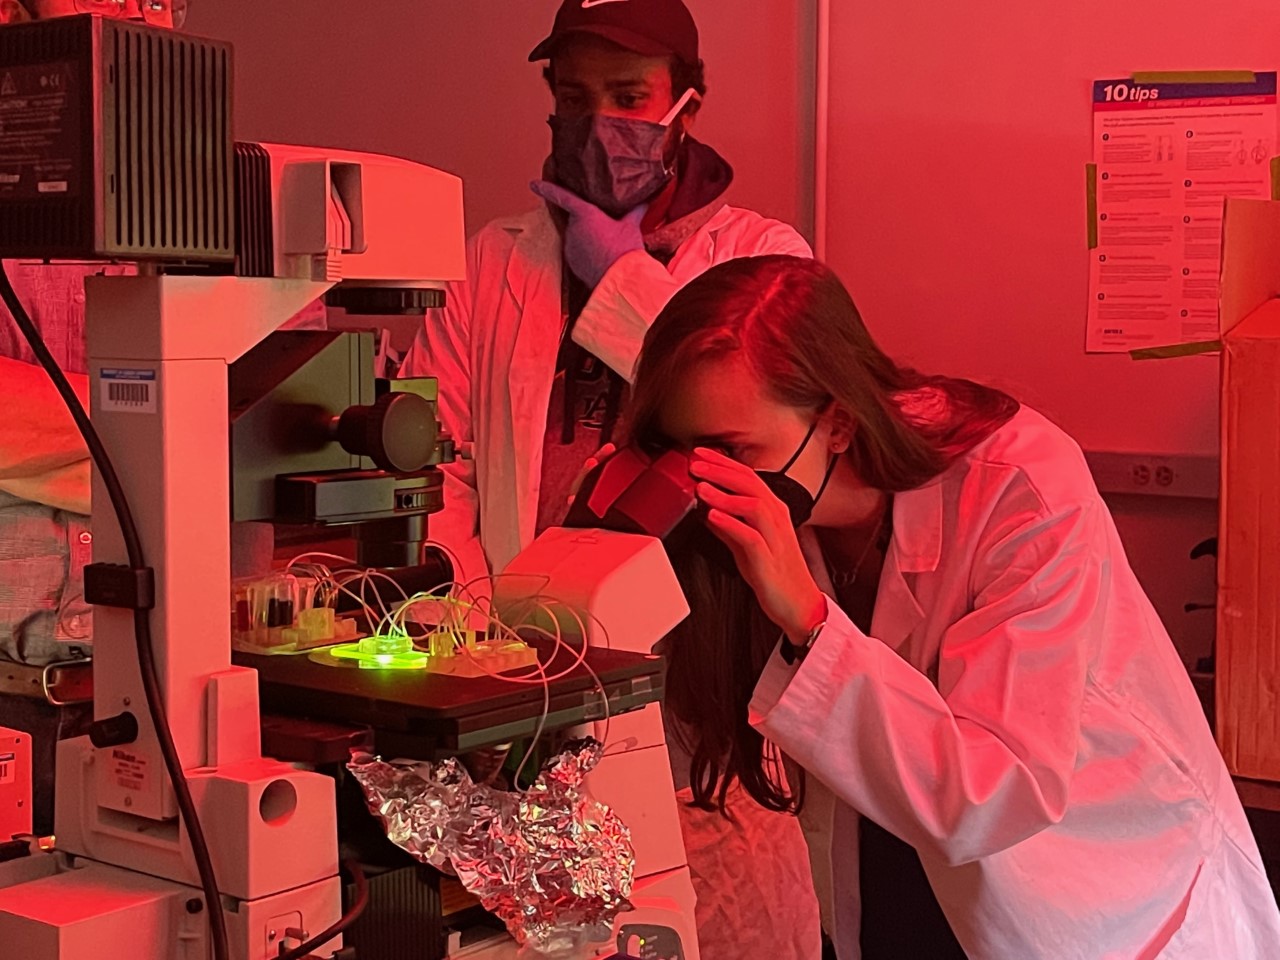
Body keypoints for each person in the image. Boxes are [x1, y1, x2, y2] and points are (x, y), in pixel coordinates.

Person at [622, 253, 1280, 959]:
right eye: (677, 451)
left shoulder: (1021, 487)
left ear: (838, 424)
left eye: (728, 451)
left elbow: (991, 794)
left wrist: (809, 623)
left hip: (1101, 893)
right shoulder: (781, 509)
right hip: (902, 869)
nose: (700, 479)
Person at [399, 2, 821, 956]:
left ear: (687, 105)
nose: (598, 124)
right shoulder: (493, 260)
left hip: (699, 704)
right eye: (574, 96)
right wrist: (483, 630)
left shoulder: (764, 258)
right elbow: (436, 461)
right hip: (523, 675)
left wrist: (622, 274)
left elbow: (747, 416)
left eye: (629, 98)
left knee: (725, 919)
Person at [0, 0, 329, 837]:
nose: (134, 17)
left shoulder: (256, 206)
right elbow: (215, 436)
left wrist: (50, 436)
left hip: (196, 701)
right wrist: (178, 431)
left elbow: (271, 438)